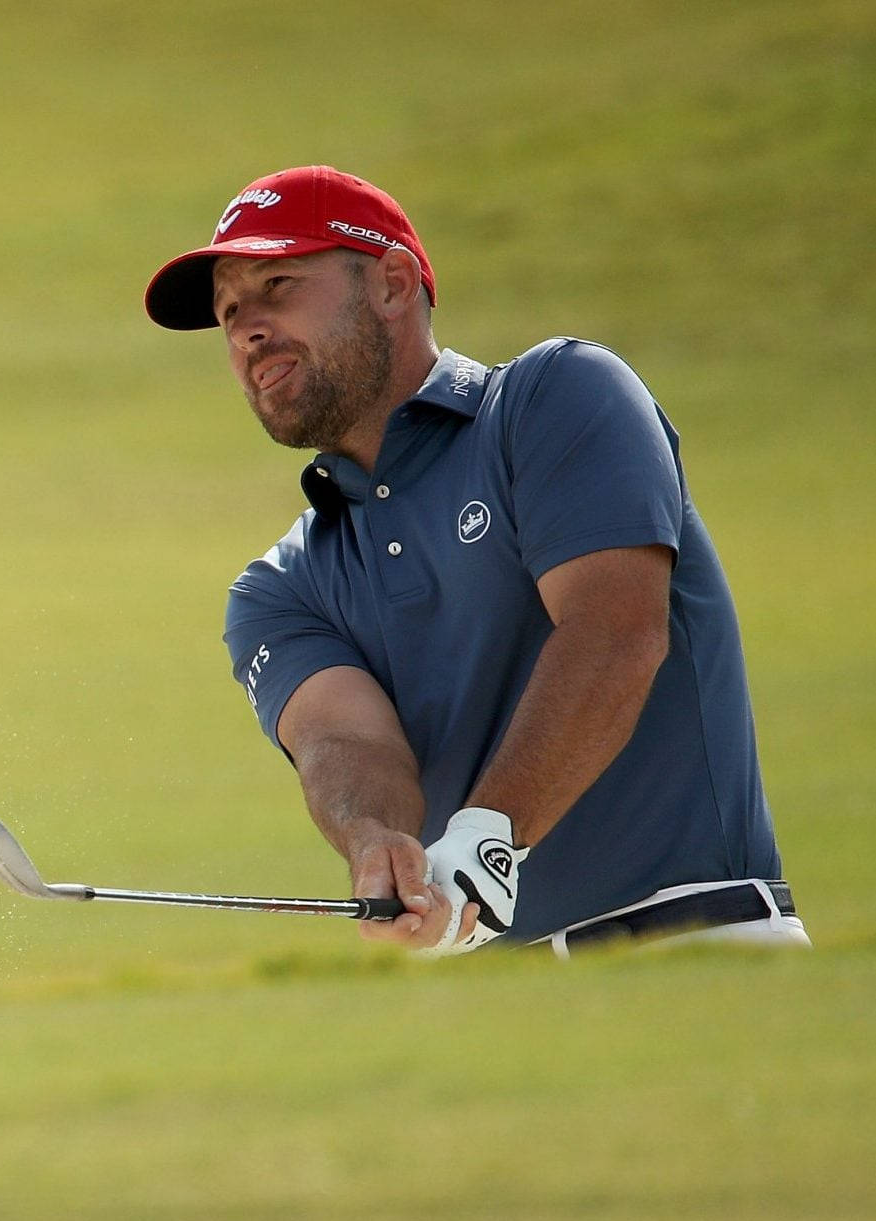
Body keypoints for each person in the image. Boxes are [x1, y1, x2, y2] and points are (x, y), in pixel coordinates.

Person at [142, 165, 805, 955]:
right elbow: (344, 741)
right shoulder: (279, 588)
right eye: (227, 312)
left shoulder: (555, 398)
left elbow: (615, 630)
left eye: (276, 285)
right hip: (505, 1001)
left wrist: (487, 835)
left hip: (699, 943)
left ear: (391, 283)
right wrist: (378, 841)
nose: (245, 330)